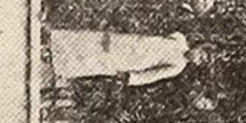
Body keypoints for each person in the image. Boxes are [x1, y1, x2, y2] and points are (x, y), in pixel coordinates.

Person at [50, 28, 188, 85]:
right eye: (199, 52)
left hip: (134, 60)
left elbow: (153, 75)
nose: (197, 56)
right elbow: (155, 31)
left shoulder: (178, 66)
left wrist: (132, 78)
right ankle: (54, 43)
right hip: (132, 41)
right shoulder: (179, 39)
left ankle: (57, 64)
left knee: (96, 60)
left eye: (199, 59)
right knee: (94, 42)